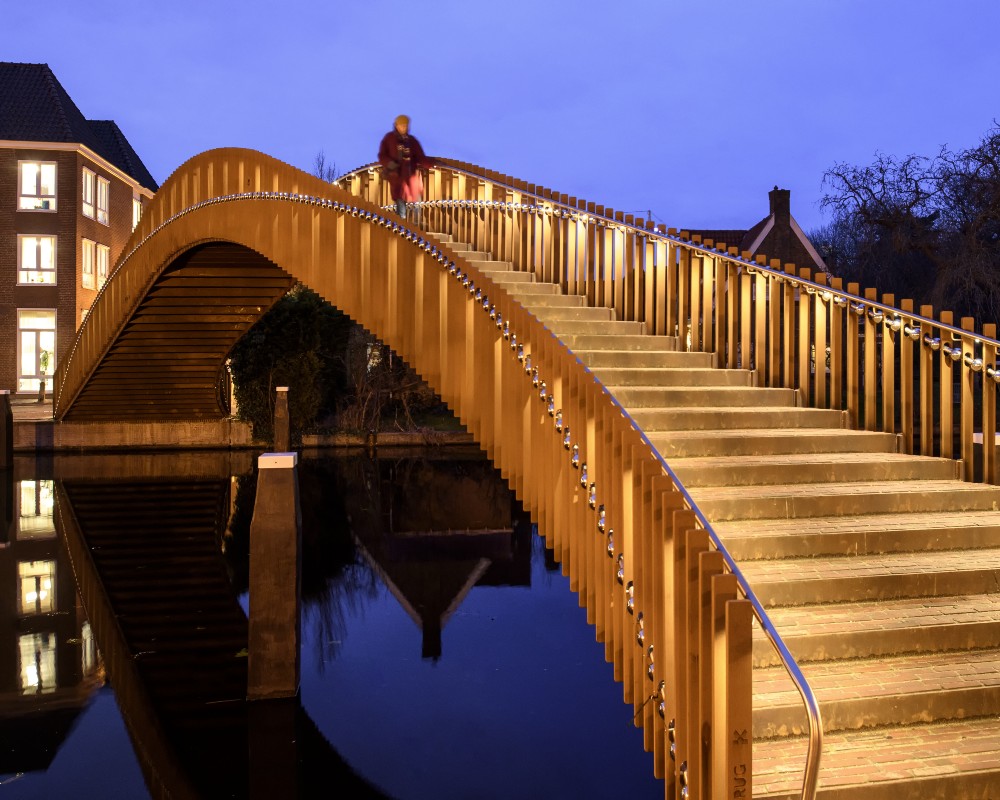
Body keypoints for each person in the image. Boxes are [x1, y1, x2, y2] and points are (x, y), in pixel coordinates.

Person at [378, 115, 432, 222]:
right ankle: (401, 228)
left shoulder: (412, 141)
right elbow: (382, 155)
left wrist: (430, 164)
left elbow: (420, 157)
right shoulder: (389, 138)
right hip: (397, 178)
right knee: (401, 206)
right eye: (401, 125)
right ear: (396, 125)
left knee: (416, 202)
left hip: (411, 176)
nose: (404, 128)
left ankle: (417, 227)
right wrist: (390, 163)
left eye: (405, 126)